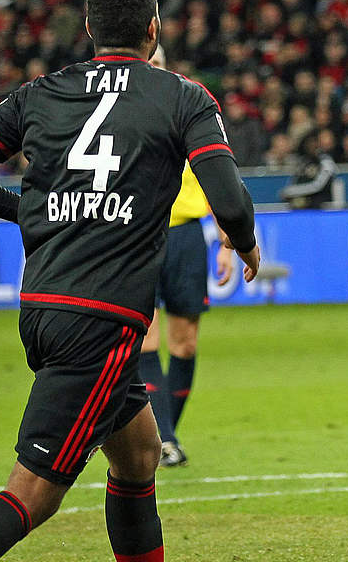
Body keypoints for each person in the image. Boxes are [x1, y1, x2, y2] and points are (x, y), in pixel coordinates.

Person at [0, 0, 261, 562]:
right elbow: (229, 199)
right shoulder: (183, 97)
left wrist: (25, 209)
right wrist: (247, 243)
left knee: (138, 456)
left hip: (44, 307)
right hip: (100, 323)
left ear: (88, 30)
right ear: (153, 29)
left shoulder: (40, 92)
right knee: (32, 497)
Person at [138, 48, 239, 469]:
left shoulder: (185, 109)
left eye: (160, 63)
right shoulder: (121, 113)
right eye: (150, 62)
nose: (155, 69)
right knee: (146, 340)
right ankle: (165, 439)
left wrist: (227, 242)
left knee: (185, 342)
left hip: (184, 239)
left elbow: (214, 175)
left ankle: (165, 437)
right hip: (138, 235)